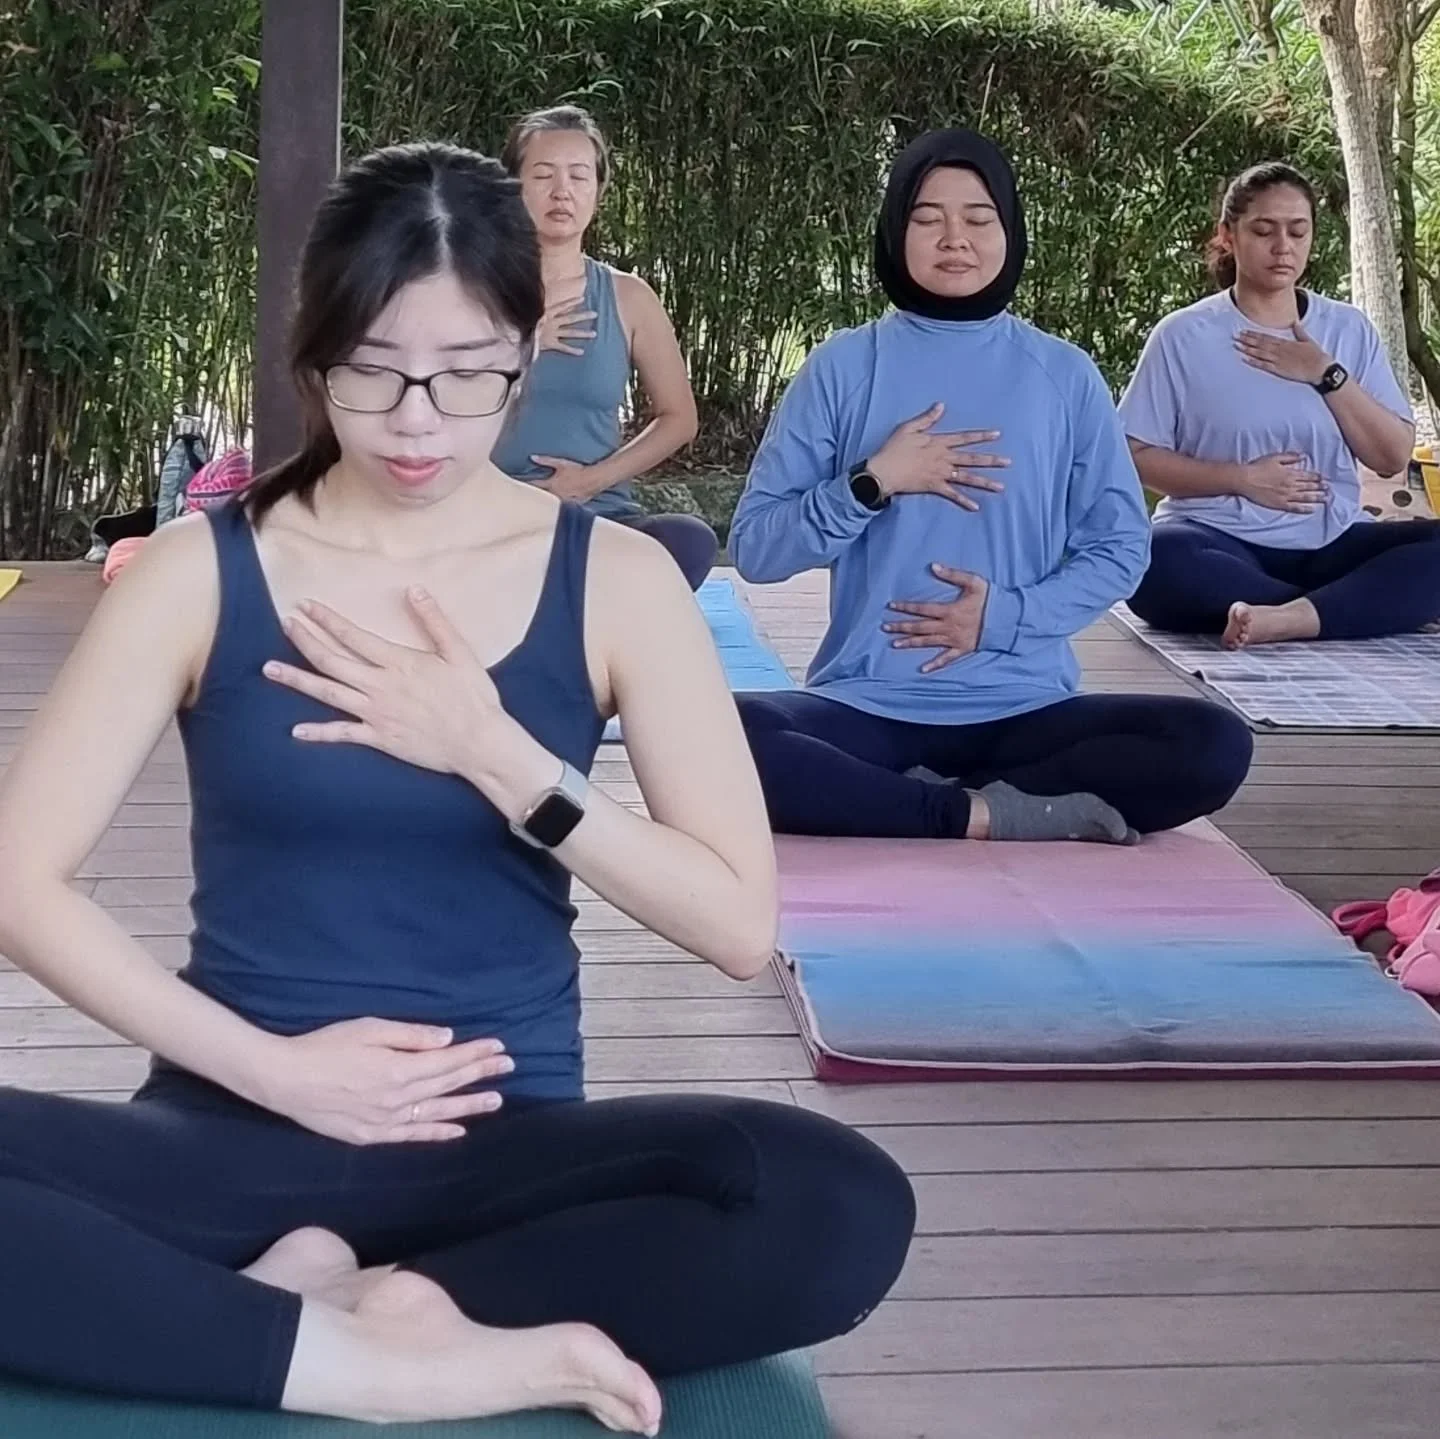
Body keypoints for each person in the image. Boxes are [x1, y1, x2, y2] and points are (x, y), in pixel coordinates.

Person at [0, 143, 914, 1432]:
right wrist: (280, 1072)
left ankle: (402, 1298)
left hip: (501, 1152)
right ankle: (358, 1358)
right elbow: (18, 882)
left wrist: (499, 754)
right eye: (374, 370)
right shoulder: (201, 571)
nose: (418, 419)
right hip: (231, 1130)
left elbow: (734, 921)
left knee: (835, 1200)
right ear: (316, 353)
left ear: (526, 353)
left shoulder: (614, 580)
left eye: (467, 372)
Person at [728, 128, 1252, 844]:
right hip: (869, 705)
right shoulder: (842, 368)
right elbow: (757, 549)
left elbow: (1121, 548)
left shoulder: (1064, 374)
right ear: (895, 232)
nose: (955, 239)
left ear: (1009, 231)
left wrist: (1003, 618)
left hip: (1026, 712)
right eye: (928, 219)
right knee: (725, 733)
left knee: (1214, 742)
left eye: (978, 218)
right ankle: (978, 813)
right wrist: (872, 482)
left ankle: (898, 804)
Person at [1120, 161, 1436, 648]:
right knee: (1152, 562)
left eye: (1297, 231)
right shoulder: (1183, 335)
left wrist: (1325, 373)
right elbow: (1136, 455)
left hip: (1331, 540)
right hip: (1215, 538)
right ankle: (1347, 607)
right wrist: (1240, 479)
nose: (1282, 246)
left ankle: (1286, 618)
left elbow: (1391, 456)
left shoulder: (1347, 330)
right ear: (1228, 236)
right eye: (1264, 231)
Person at [491, 105, 717, 590]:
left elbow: (679, 418)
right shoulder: (473, 291)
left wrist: (588, 482)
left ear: (598, 190)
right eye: (543, 175)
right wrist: (522, 349)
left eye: (579, 176)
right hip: (492, 512)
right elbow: (439, 396)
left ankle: (566, 589)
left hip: (598, 516)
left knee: (688, 541)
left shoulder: (628, 297)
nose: (562, 192)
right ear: (512, 187)